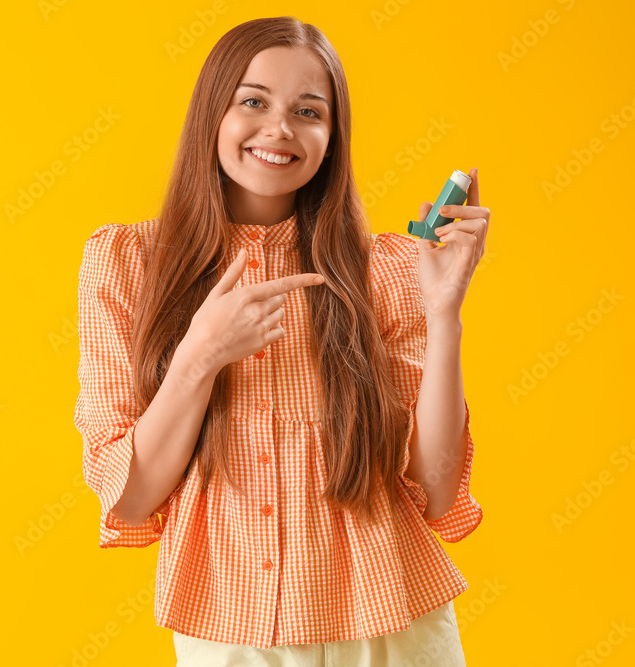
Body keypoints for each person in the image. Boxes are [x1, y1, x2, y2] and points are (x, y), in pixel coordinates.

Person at [74, 15, 490, 666]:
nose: (280, 129)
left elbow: (434, 488)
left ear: (333, 137)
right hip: (232, 626)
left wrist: (445, 313)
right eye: (254, 101)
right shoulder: (126, 262)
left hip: (395, 620)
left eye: (308, 111)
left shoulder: (387, 268)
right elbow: (129, 495)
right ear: (213, 112)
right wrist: (199, 356)